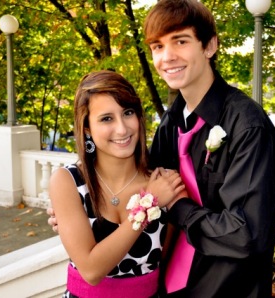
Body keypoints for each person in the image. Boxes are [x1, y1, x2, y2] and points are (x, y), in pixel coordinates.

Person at [144, 0, 275, 297]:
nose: (167, 57)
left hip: (225, 288)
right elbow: (145, 186)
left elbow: (245, 233)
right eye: (157, 46)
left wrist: (179, 208)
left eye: (180, 41)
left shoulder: (247, 126)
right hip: (167, 285)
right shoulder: (171, 123)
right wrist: (83, 201)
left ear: (209, 46)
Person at [48, 69, 185, 298]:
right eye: (106, 118)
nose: (122, 129)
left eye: (128, 113)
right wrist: (148, 203)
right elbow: (91, 270)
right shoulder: (67, 181)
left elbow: (169, 262)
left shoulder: (164, 183)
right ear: (87, 128)